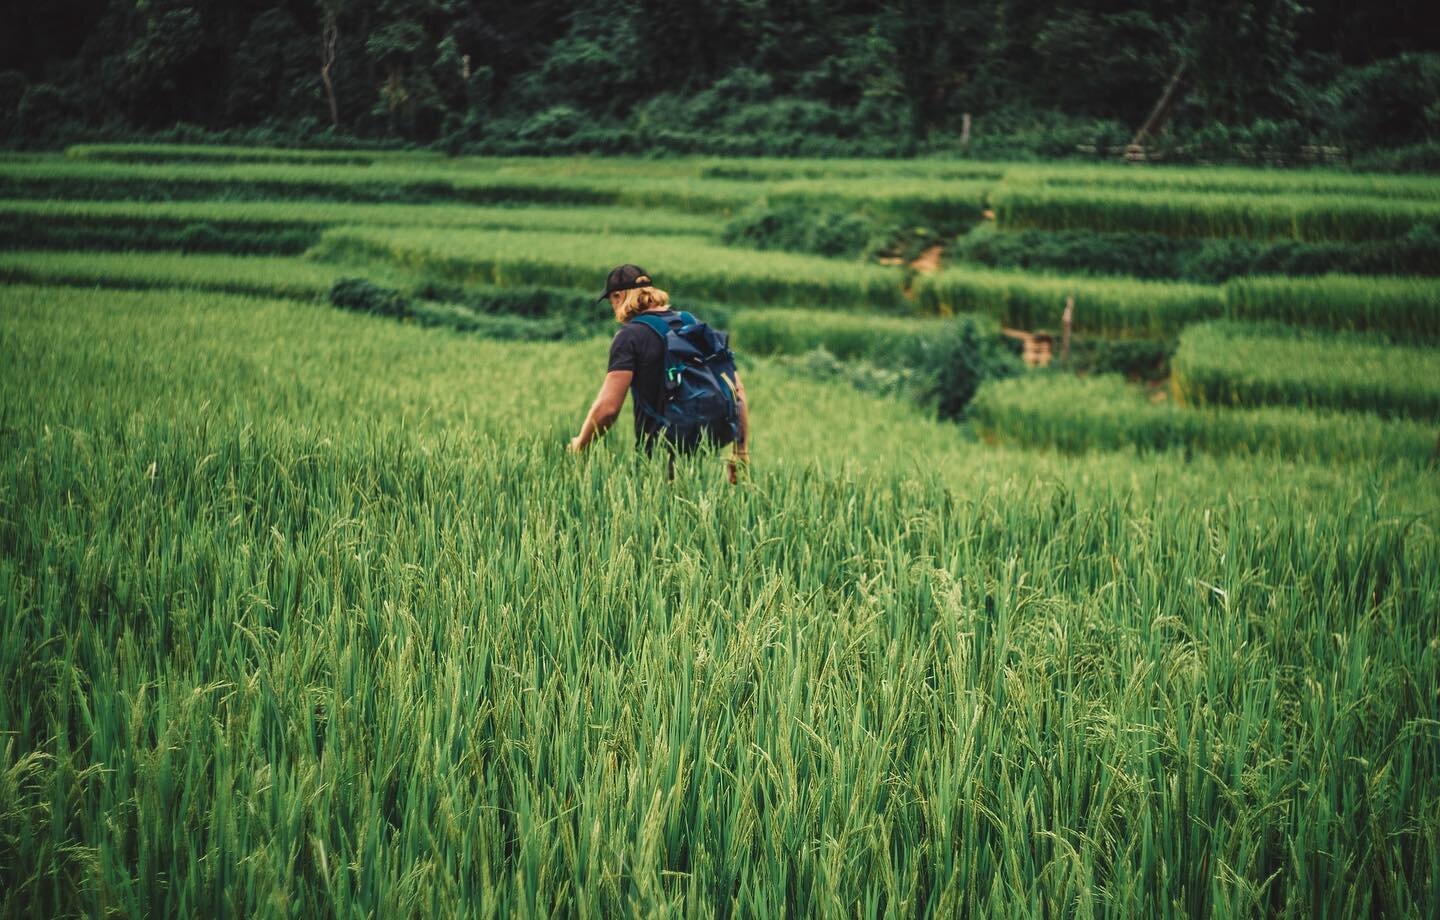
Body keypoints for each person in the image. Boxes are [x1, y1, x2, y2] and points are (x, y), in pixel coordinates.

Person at [568, 264, 750, 482]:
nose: (613, 309)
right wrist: (741, 452)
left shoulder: (629, 337)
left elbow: (608, 408)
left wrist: (581, 444)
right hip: (704, 458)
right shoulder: (692, 324)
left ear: (619, 296)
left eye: (611, 302)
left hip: (655, 460)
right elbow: (736, 391)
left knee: (658, 513)